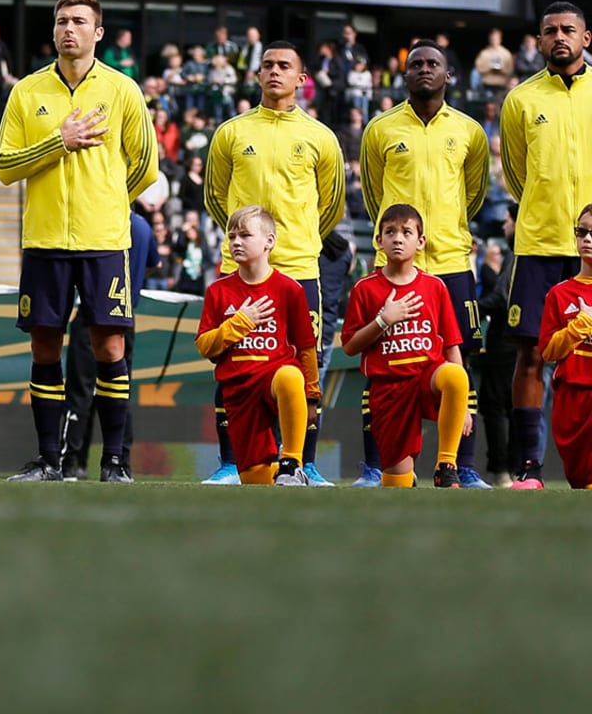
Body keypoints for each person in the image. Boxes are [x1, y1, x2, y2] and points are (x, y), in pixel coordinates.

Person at [0, 0, 158, 482]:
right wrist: (57, 142)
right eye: (62, 21)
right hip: (45, 241)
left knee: (110, 349)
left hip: (105, 241)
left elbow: (145, 168)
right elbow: (4, 167)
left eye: (79, 21)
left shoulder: (123, 90)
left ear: (98, 32)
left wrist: (106, 202)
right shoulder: (27, 91)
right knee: (44, 349)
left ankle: (115, 462)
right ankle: (49, 461)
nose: (69, 29)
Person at [204, 42, 345, 485]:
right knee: (232, 359)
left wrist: (293, 242)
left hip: (300, 268)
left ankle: (303, 460)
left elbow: (332, 206)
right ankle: (232, 462)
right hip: (239, 271)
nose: (274, 72)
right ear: (257, 74)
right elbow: (214, 197)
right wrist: (246, 243)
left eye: (285, 66)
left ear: (302, 79)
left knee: (307, 364)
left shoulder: (321, 137)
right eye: (267, 65)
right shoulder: (231, 132)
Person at [359, 42, 490, 488]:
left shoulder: (470, 130)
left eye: (433, 63)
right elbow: (375, 196)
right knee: (383, 362)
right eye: (416, 64)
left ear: (448, 74)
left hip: (451, 260)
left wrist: (444, 231)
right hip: (394, 266)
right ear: (404, 74)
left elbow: (473, 193)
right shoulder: (380, 129)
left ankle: (459, 465)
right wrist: (401, 241)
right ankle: (381, 465)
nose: (424, 70)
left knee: (460, 359)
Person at [500, 1, 592, 488]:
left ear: (586, 38)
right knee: (532, 355)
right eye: (550, 31)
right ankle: (529, 467)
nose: (560, 37)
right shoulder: (520, 100)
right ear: (539, 41)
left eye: (569, 30)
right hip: (538, 242)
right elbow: (517, 174)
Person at [340, 204, 473, 488]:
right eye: (390, 232)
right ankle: (404, 476)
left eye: (406, 232)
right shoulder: (365, 288)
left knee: (455, 375)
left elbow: (451, 346)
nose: (398, 238)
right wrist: (383, 320)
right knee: (396, 483)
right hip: (389, 389)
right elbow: (350, 346)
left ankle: (446, 466)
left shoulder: (435, 287)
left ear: (420, 241)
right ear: (379, 241)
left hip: (427, 378)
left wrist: (464, 407)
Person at [195, 206, 319, 485]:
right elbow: (205, 346)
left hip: (273, 377)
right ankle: (283, 474)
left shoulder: (289, 288)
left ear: (269, 241)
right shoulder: (218, 290)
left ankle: (292, 461)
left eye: (245, 235)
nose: (236, 242)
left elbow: (306, 347)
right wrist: (239, 323)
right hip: (238, 390)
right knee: (255, 479)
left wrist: (312, 395)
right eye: (232, 236)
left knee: (289, 375)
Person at [59, 208, 157, 479]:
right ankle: (120, 463)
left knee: (81, 393)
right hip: (126, 317)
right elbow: (155, 263)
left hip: (92, 314)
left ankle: (71, 463)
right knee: (118, 390)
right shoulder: (142, 226)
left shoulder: (99, 218)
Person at [537, 203, 592, 489]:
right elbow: (548, 351)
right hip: (572, 397)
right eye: (582, 232)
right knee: (580, 480)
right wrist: (581, 324)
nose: (587, 239)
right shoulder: (560, 294)